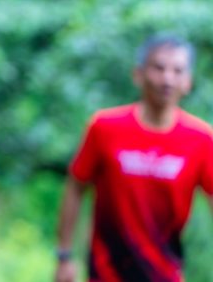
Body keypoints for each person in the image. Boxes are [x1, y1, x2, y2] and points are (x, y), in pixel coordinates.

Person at [54, 35, 213, 282]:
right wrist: (64, 256)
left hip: (164, 273)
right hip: (106, 271)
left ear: (188, 82)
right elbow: (76, 186)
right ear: (138, 74)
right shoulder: (105, 128)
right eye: (158, 68)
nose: (167, 79)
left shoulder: (201, 139)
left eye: (177, 70)